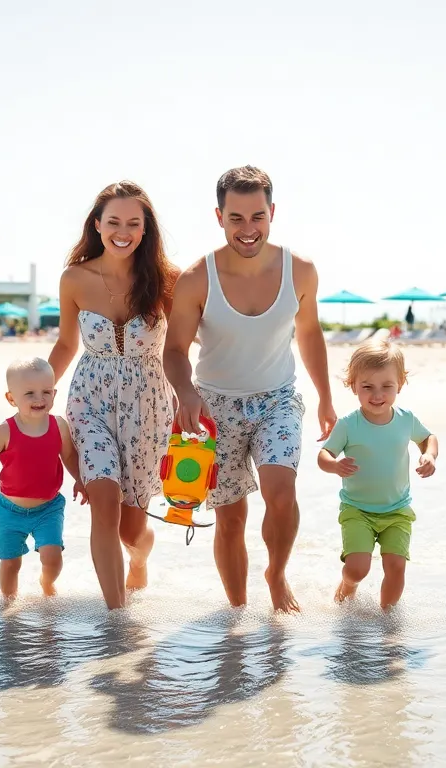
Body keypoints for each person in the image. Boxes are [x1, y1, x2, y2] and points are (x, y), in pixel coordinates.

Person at [164, 165, 336, 613]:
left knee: (281, 492)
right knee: (231, 518)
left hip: (277, 400)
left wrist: (325, 397)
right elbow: (175, 350)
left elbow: (310, 334)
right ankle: (237, 616)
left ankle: (276, 574)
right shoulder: (197, 278)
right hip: (214, 407)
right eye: (236, 218)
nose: (248, 228)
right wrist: (186, 393)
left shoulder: (300, 271)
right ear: (219, 217)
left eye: (257, 216)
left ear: (272, 212)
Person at [48, 181, 179, 610]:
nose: (123, 232)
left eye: (133, 223)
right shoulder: (75, 278)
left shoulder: (167, 280)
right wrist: (40, 388)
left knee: (131, 530)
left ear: (145, 229)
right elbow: (66, 344)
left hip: (149, 404)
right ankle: (116, 617)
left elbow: (186, 345)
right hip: (91, 400)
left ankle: (139, 559)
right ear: (97, 225)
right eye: (114, 222)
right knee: (103, 502)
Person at [317, 337, 438, 611]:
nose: (377, 395)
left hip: (397, 510)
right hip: (357, 510)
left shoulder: (406, 419)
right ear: (353, 386)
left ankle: (388, 620)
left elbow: (428, 438)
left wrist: (429, 455)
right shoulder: (348, 424)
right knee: (357, 569)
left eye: (387, 386)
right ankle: (347, 586)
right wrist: (334, 465)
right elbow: (324, 455)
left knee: (396, 566)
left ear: (400, 384)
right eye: (367, 387)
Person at [0, 357, 86, 602]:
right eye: (30, 393)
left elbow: (69, 456)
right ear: (11, 398)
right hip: (10, 511)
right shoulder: (5, 430)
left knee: (53, 557)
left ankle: (47, 583)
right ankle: (8, 607)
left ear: (54, 394)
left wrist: (79, 479)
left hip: (49, 508)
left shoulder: (58, 426)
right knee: (10, 563)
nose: (39, 399)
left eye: (46, 392)